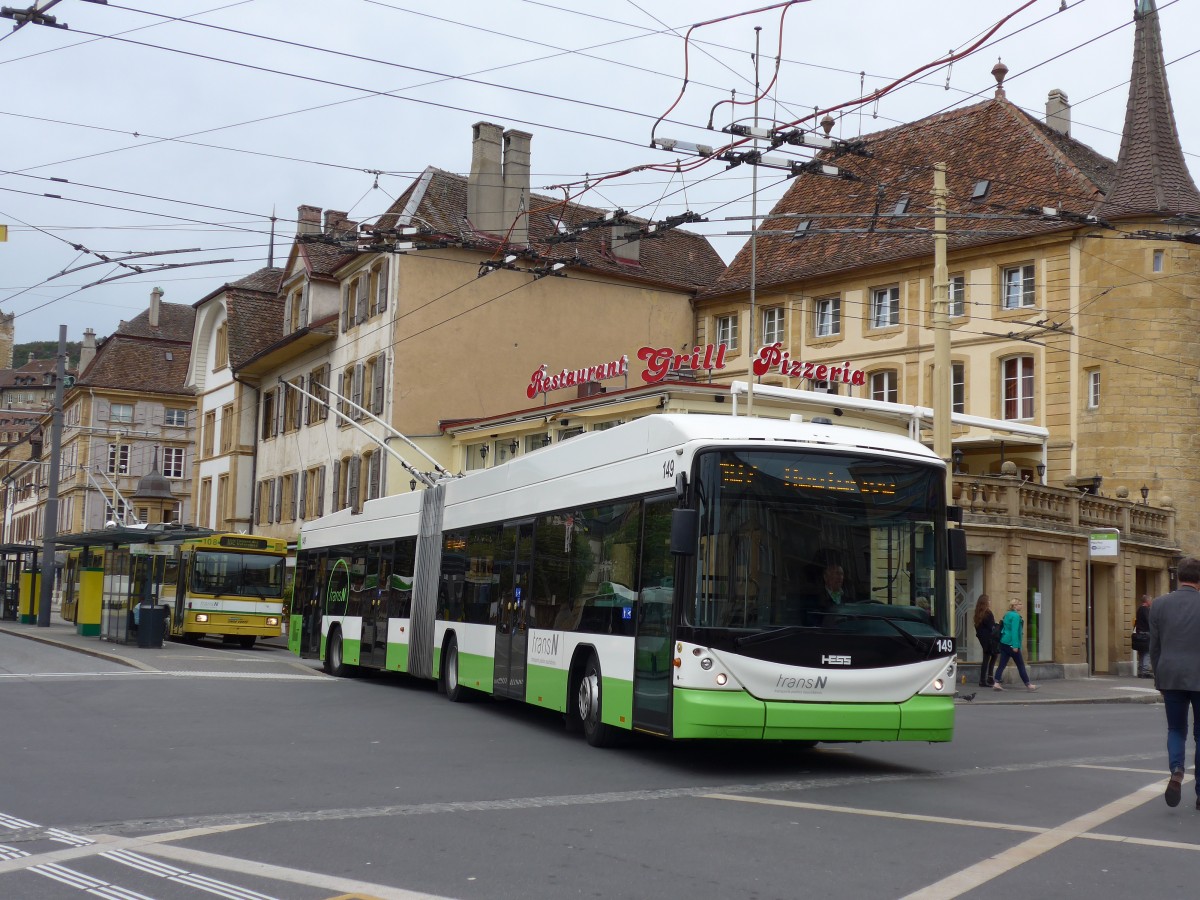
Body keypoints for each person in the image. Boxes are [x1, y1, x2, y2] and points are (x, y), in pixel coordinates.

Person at [1149, 557, 1200, 809]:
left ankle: (1177, 770)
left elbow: (1154, 646)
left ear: (1179, 577)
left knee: (1176, 729)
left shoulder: (1159, 605)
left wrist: (1159, 678)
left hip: (1170, 675)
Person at [992, 598, 1037, 691]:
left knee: (1002, 664)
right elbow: (1015, 631)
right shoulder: (1016, 616)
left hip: (1004, 641)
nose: (1021, 605)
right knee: (1020, 664)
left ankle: (996, 682)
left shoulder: (1007, 614)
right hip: (1011, 643)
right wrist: (1015, 645)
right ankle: (1028, 684)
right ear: (1015, 606)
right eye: (1020, 604)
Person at [973, 594, 999, 687]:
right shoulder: (988, 613)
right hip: (989, 639)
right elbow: (991, 627)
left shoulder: (977, 613)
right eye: (989, 600)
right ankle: (986, 679)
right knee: (993, 656)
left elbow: (978, 627)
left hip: (982, 639)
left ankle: (986, 679)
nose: (990, 602)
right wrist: (997, 625)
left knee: (988, 657)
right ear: (985, 602)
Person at [1134, 594, 1153, 678]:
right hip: (1145, 634)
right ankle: (1145, 671)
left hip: (1139, 633)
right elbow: (1149, 621)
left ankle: (1141, 670)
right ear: (1147, 601)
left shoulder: (1139, 609)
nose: (1151, 602)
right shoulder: (1146, 610)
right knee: (1147, 652)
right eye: (1151, 600)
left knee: (1142, 652)